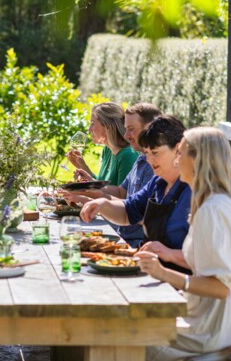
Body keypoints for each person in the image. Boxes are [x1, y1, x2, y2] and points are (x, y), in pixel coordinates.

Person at [135, 127, 231, 361]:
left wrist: (164, 273)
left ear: (199, 159)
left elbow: (220, 287)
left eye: (180, 154)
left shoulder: (213, 210)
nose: (177, 161)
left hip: (220, 327)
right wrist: (166, 256)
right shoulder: (213, 203)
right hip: (220, 318)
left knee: (134, 350)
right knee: (139, 336)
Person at [79, 115, 192, 274]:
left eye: (155, 152)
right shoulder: (157, 183)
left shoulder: (193, 191)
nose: (149, 159)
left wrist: (169, 254)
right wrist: (102, 205)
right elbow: (128, 211)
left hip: (181, 285)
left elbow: (209, 260)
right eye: (146, 152)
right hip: (151, 275)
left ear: (178, 150)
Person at [63, 103, 161, 246]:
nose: (127, 135)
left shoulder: (144, 161)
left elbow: (138, 213)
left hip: (134, 241)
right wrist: (89, 188)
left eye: (131, 129)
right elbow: (122, 192)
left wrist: (90, 196)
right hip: (123, 233)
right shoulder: (141, 158)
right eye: (126, 129)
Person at [66, 102, 138, 186]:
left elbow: (121, 196)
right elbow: (102, 185)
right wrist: (83, 167)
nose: (89, 129)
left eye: (92, 124)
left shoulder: (128, 155)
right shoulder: (108, 150)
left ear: (108, 126)